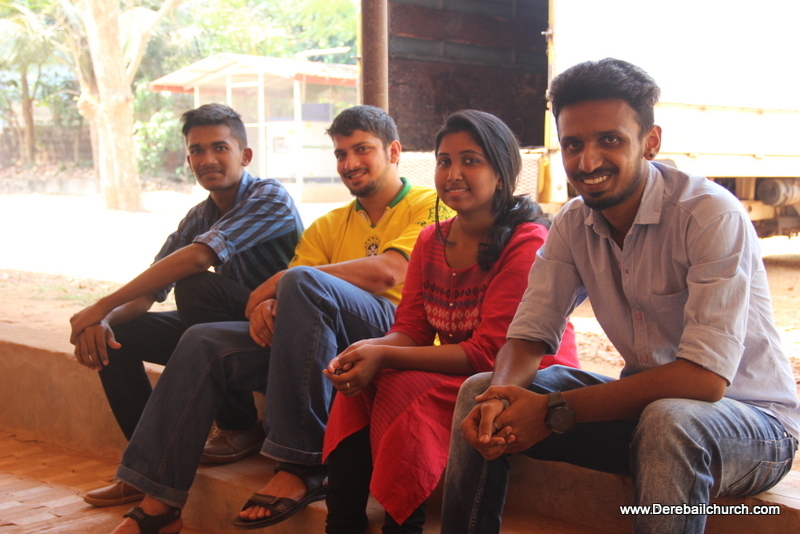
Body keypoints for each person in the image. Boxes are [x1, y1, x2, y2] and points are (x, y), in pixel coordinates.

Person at [440, 58, 800, 534]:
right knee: (478, 391)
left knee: (671, 421)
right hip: (647, 418)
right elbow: (528, 335)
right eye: (573, 144)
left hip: (754, 429)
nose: (587, 162)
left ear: (650, 142)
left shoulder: (709, 215)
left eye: (610, 140)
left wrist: (552, 410)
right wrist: (501, 396)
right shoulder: (573, 223)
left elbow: (705, 379)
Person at [106, 105, 448, 534]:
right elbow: (292, 292)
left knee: (300, 281)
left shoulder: (431, 206)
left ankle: (302, 464)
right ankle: (159, 502)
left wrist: (281, 284)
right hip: (320, 347)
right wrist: (269, 303)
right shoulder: (328, 225)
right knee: (202, 340)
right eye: (341, 154)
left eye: (362, 150)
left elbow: (390, 273)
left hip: (395, 335)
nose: (350, 163)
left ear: (394, 152)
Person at [321, 110, 579, 534]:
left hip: (524, 376)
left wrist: (384, 356)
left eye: (470, 160)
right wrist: (368, 351)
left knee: (402, 385)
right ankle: (343, 524)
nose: (453, 173)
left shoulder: (526, 241)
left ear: (501, 173)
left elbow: (490, 353)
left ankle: (402, 526)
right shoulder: (431, 239)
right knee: (357, 381)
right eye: (444, 161)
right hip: (468, 371)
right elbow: (412, 330)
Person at [70, 103, 303, 507]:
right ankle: (144, 468)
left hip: (280, 340)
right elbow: (149, 290)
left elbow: (198, 258)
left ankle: (239, 424)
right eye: (197, 150)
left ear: (245, 155)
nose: (207, 159)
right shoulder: (199, 216)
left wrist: (100, 305)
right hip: (231, 330)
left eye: (220, 147)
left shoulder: (271, 197)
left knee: (196, 287)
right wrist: (103, 319)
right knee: (118, 335)